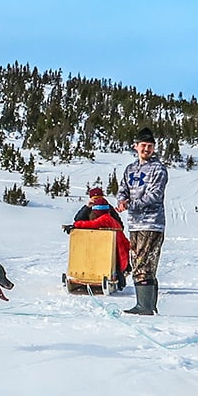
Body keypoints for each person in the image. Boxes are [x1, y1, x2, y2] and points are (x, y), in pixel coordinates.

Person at [117, 127, 167, 314]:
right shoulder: (130, 169)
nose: (146, 149)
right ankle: (147, 304)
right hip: (135, 223)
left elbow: (155, 195)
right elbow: (123, 188)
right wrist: (122, 201)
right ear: (136, 147)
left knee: (143, 263)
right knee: (139, 260)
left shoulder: (158, 169)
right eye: (143, 145)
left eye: (150, 146)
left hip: (151, 222)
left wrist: (132, 204)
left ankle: (144, 306)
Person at [66, 186, 129, 273]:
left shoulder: (106, 210)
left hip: (106, 242)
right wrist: (87, 207)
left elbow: (96, 223)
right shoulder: (90, 208)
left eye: (99, 198)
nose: (97, 200)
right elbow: (78, 219)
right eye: (95, 198)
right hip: (91, 239)